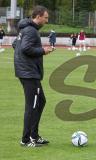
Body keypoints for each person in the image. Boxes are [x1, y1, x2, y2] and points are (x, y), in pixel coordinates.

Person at [13, 5, 54, 147]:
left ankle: (34, 136)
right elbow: (25, 48)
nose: (47, 20)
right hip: (29, 73)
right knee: (33, 106)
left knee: (40, 101)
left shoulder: (25, 29)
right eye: (46, 17)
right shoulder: (31, 30)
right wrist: (43, 50)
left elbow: (15, 44)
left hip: (27, 71)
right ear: (38, 16)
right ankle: (26, 139)